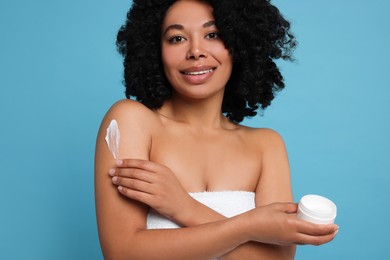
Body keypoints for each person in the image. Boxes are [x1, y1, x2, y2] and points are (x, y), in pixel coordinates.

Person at [94, 0, 339, 259]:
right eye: (177, 38)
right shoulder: (131, 121)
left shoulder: (266, 145)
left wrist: (185, 207)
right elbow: (122, 252)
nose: (196, 51)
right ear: (155, 50)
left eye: (212, 35)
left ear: (239, 43)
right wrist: (250, 227)